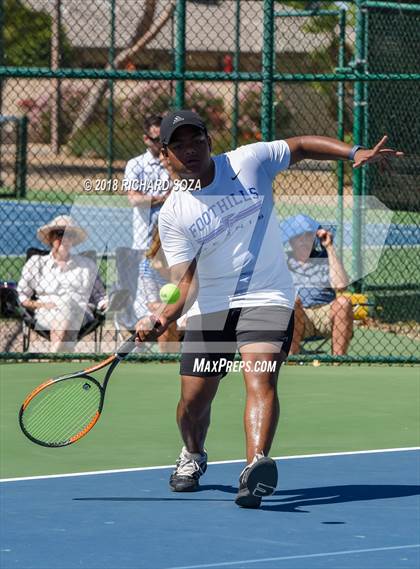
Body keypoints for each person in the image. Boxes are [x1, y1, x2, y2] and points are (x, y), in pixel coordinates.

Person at [135, 110, 403, 508]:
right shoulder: (175, 213)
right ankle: (192, 453)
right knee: (194, 402)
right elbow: (185, 282)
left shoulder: (247, 161)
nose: (190, 150)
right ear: (166, 155)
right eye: (179, 145)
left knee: (261, 380)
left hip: (268, 297)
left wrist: (354, 152)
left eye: (196, 141)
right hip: (212, 306)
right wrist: (162, 315)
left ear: (209, 142)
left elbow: (299, 146)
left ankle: (254, 468)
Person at [17, 215, 107, 353]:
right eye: (60, 234)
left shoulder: (87, 265)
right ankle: (63, 353)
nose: (65, 239)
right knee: (63, 313)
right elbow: (21, 296)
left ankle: (55, 355)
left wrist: (108, 303)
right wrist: (41, 305)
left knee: (67, 305)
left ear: (74, 240)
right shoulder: (36, 263)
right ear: (51, 238)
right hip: (46, 313)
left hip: (81, 313)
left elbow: (100, 297)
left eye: (70, 235)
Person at [122, 115, 173, 327]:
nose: (160, 142)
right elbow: (134, 198)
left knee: (175, 296)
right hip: (146, 243)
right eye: (155, 138)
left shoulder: (173, 163)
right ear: (146, 139)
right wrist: (161, 198)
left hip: (172, 242)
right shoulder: (136, 165)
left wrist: (169, 168)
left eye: (164, 138)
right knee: (148, 300)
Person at [281, 214, 353, 356]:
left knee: (344, 302)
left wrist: (329, 247)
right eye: (298, 237)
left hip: (325, 312)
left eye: (307, 236)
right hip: (298, 315)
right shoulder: (284, 260)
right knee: (292, 302)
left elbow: (341, 285)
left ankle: (337, 361)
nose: (303, 241)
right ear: (290, 241)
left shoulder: (326, 257)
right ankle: (292, 357)